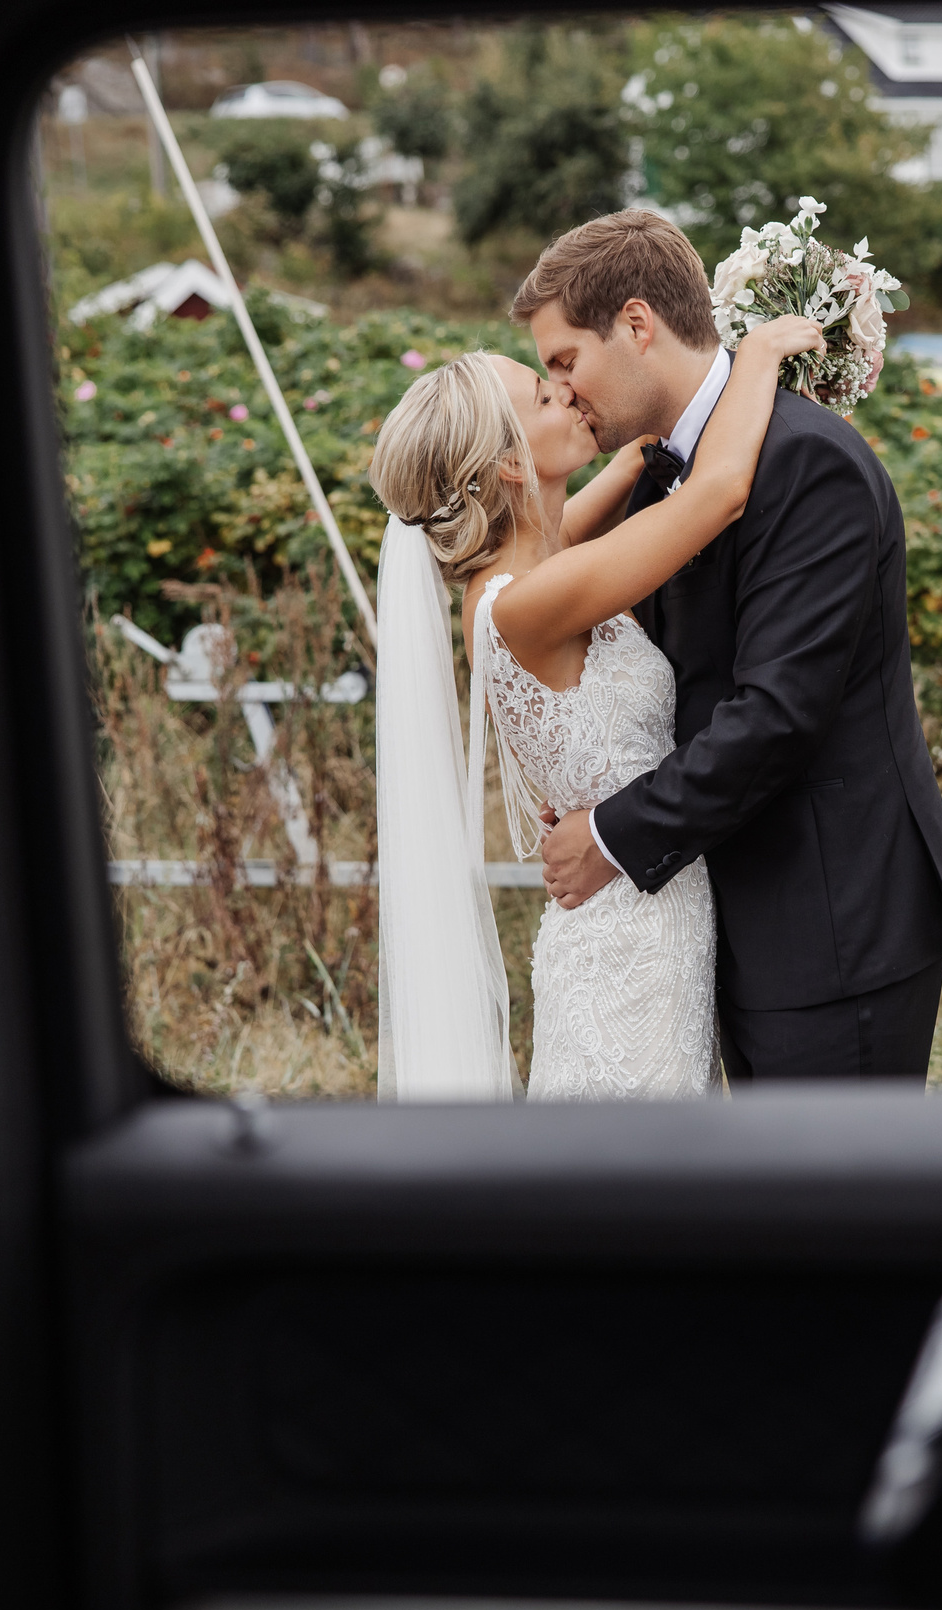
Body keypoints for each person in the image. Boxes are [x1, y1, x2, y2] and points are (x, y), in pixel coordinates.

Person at [517, 211, 942, 1081]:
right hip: (737, 921)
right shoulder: (663, 483)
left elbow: (777, 712)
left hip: (836, 926)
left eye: (566, 360)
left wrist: (612, 833)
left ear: (638, 325)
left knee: (840, 1213)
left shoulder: (807, 461)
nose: (565, 390)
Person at [367, 313, 826, 1098]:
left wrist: (665, 405)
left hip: (643, 910)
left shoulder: (537, 565)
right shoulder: (525, 603)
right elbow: (715, 494)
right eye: (547, 397)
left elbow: (622, 477)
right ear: (509, 464)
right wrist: (753, 355)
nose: (571, 395)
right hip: (628, 949)